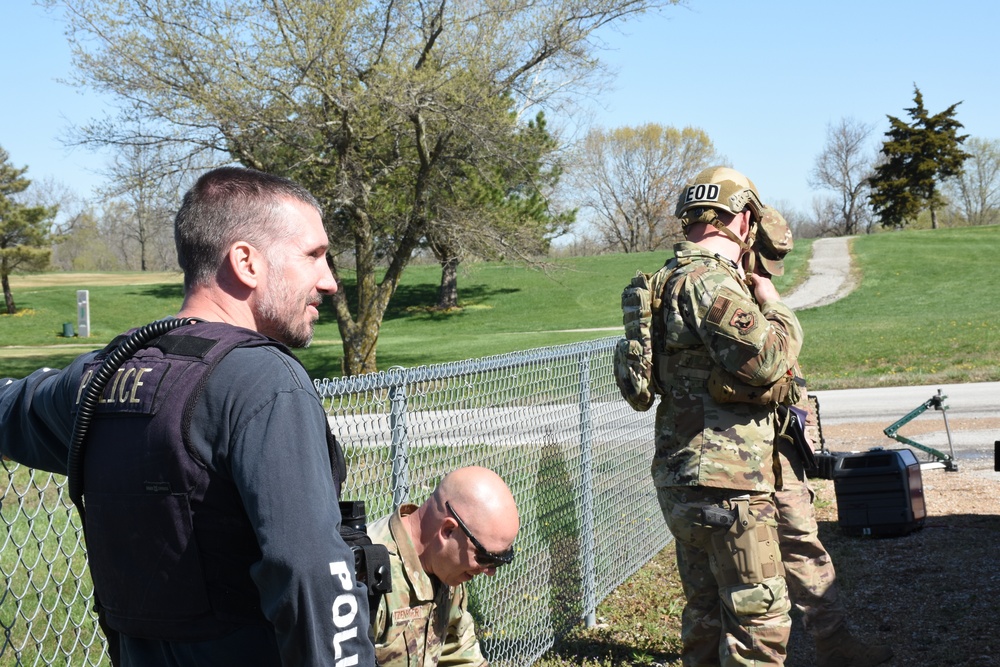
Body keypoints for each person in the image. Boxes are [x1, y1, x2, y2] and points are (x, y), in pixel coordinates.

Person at [0, 167, 376, 666]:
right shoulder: (263, 381)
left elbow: (10, 406)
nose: (329, 281)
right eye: (313, 255)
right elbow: (310, 573)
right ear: (246, 261)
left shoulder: (104, 374)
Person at [650, 166, 803, 666]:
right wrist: (775, 307)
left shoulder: (666, 278)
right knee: (759, 621)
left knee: (706, 610)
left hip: (684, 476)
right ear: (740, 221)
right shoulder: (709, 282)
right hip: (728, 482)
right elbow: (768, 361)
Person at [753, 208, 893, 667]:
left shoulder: (756, 290)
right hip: (740, 454)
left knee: (802, 541)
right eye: (766, 259)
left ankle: (834, 643)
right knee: (745, 566)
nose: (768, 270)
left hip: (781, 445)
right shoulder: (723, 290)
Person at [368, 466, 519, 666]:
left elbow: (457, 648)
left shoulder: (447, 567)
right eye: (485, 557)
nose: (490, 571)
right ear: (448, 531)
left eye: (499, 561)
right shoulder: (367, 578)